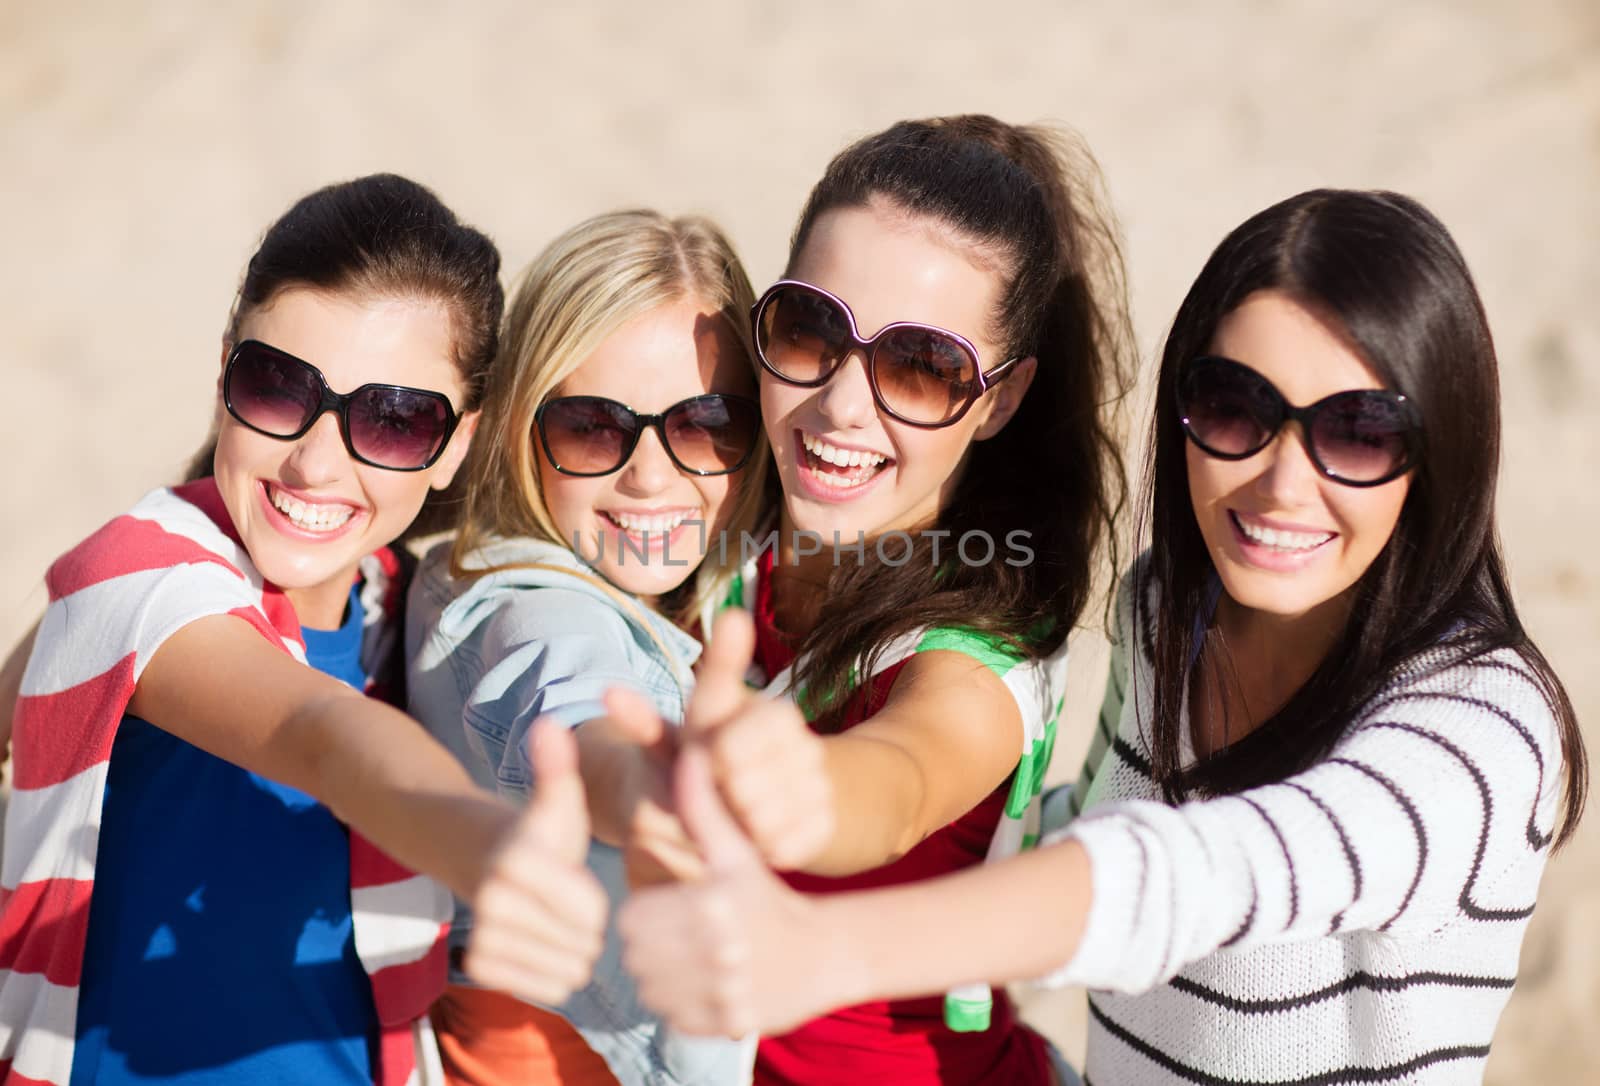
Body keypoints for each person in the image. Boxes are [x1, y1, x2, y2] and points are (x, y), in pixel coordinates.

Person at [616, 189, 1589, 1086]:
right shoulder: (1167, 608)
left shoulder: (1485, 726)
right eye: (1233, 408)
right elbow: (1082, 828)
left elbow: (1194, 875)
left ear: (1441, 452)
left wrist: (824, 951)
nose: (1282, 483)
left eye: (1358, 432)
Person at [0, 174, 608, 1086]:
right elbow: (319, 736)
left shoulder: (410, 610)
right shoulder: (139, 578)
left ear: (457, 447)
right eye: (278, 387)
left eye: (395, 420)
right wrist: (482, 843)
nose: (316, 463)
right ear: (223, 375)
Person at [603, 115, 1133, 1083]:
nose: (843, 405)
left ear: (1001, 400)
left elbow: (896, 782)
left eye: (921, 369)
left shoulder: (974, 656)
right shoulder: (719, 508)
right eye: (810, 331)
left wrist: (805, 791)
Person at [406, 209, 778, 1085]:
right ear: (515, 431)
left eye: (704, 423)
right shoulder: (527, 608)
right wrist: (644, 779)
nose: (650, 474)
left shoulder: (708, 588)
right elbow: (567, 703)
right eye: (591, 427)